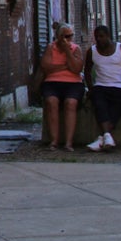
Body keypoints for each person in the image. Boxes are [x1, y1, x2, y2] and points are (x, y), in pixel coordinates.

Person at [84, 25, 121, 152]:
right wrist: (90, 87)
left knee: (118, 107)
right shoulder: (92, 51)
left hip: (119, 86)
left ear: (108, 36)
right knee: (99, 105)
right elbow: (87, 71)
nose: (99, 40)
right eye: (96, 37)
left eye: (101, 36)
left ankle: (102, 138)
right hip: (101, 86)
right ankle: (107, 137)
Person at [40, 23, 84, 152]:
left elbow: (76, 69)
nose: (67, 39)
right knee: (51, 102)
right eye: (65, 36)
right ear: (58, 36)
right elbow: (46, 67)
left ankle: (68, 142)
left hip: (73, 83)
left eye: (70, 36)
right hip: (52, 82)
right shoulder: (50, 48)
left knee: (71, 103)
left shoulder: (76, 49)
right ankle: (54, 141)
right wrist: (65, 66)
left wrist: (67, 52)